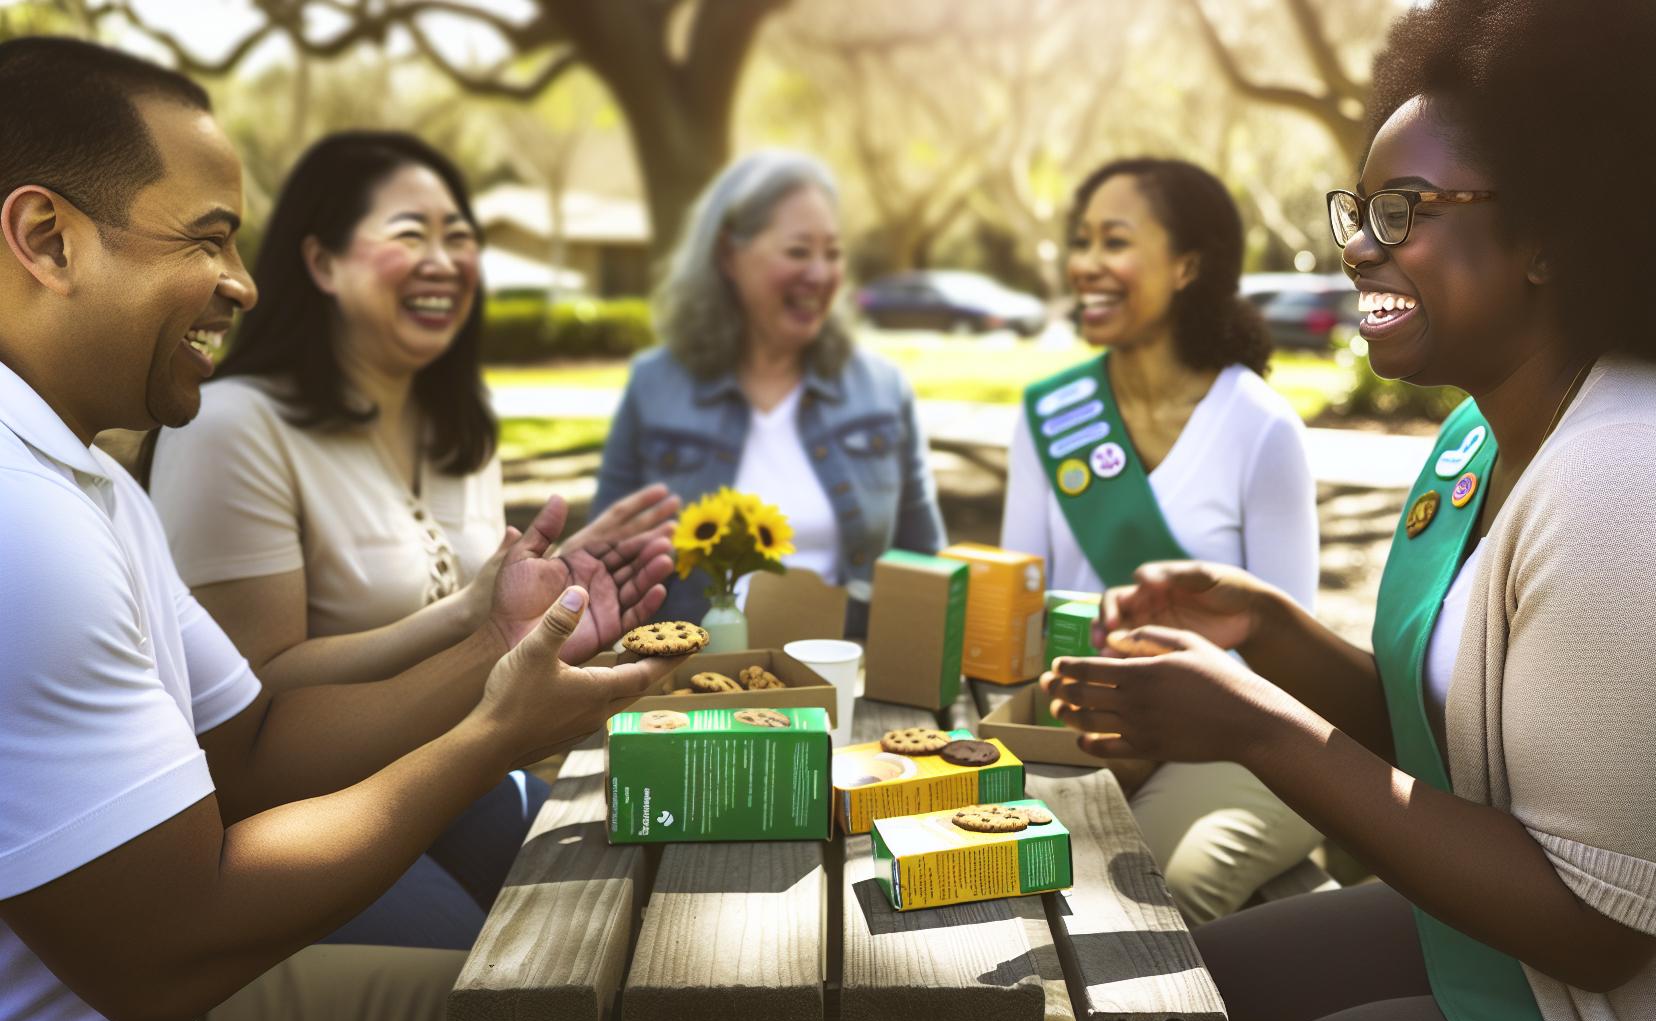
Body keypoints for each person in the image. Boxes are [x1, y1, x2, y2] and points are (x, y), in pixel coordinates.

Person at [1042, 2, 1656, 1021]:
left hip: (1600, 998)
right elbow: (1465, 746)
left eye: (1402, 211)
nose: (1356, 250)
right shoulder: (1481, 439)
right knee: (1135, 988)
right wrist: (1268, 633)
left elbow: (1598, 924)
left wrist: (1256, 728)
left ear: (1550, 236)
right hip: (1496, 946)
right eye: (1356, 212)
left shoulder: (1638, 477)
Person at [0, 37, 678, 1021]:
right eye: (206, 237)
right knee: (535, 991)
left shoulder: (93, 477)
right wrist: (494, 733)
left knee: (565, 981)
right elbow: (165, 956)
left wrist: (499, 645)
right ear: (48, 240)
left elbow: (255, 745)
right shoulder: (25, 524)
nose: (242, 281)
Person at [146, 131, 678, 950]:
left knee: (630, 907)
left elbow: (494, 637)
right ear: (323, 263)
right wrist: (472, 618)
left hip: (461, 768)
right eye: (410, 235)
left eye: (461, 239)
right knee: (480, 965)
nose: (445, 260)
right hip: (298, 811)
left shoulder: (465, 433)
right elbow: (249, 699)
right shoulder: (234, 427)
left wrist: (553, 600)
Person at [1002, 157, 1320, 924]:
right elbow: (1019, 608)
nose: (1086, 266)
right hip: (1082, 722)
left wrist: (1147, 740)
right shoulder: (1050, 416)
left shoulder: (1259, 427)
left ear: (1187, 265)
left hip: (1232, 738)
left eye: (1114, 242)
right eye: (1081, 243)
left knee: (1144, 900)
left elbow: (1288, 659)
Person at [594, 150, 946, 627]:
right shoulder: (653, 387)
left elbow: (924, 567)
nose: (820, 274)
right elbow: (605, 566)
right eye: (798, 251)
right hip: (686, 687)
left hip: (847, 680)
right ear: (727, 255)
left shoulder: (883, 392)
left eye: (833, 252)